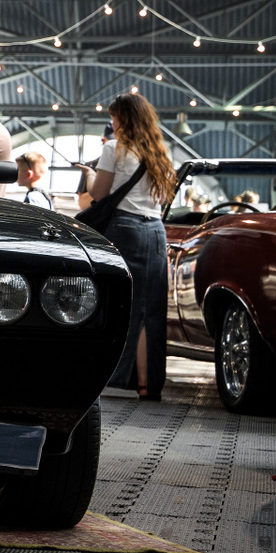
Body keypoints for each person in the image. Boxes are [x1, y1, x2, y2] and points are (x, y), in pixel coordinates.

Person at [89, 94, 179, 400]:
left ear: (123, 119)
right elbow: (162, 200)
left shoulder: (113, 149)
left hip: (125, 229)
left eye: (114, 116)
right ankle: (147, 384)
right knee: (151, 309)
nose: (112, 122)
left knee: (122, 304)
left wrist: (89, 176)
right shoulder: (160, 154)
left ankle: (113, 377)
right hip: (156, 231)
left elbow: (99, 194)